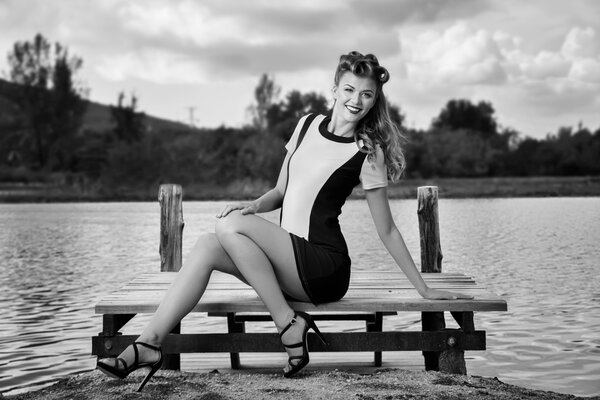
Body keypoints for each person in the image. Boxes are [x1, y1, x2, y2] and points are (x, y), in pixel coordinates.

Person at [96, 51, 473, 392]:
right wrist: (252, 205)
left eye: (366, 94)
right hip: (286, 264)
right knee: (207, 245)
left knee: (227, 228)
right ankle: (149, 344)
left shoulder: (366, 152)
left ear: (375, 100)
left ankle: (288, 324)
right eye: (349, 89)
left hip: (324, 266)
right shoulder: (307, 125)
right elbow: (280, 190)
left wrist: (423, 290)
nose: (355, 101)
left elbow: (387, 229)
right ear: (336, 88)